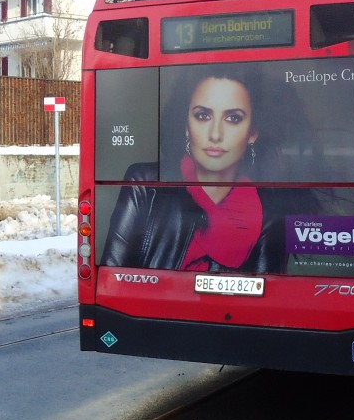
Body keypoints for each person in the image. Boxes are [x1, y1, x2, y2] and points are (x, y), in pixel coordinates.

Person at [100, 68, 288, 272]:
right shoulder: (146, 185)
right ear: (187, 128)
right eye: (203, 115)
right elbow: (113, 276)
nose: (215, 134)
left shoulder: (269, 212)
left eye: (233, 118)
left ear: (252, 133)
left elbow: (264, 296)